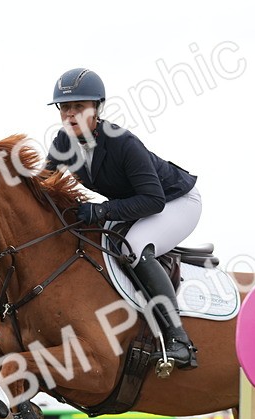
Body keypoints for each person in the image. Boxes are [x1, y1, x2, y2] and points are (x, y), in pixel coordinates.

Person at [45, 67, 201, 373]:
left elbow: (153, 201)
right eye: (65, 108)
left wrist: (101, 211)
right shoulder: (63, 143)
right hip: (136, 204)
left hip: (176, 202)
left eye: (79, 107)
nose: (70, 115)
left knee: (134, 245)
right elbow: (43, 188)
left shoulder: (122, 143)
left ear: (97, 108)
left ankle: (180, 341)